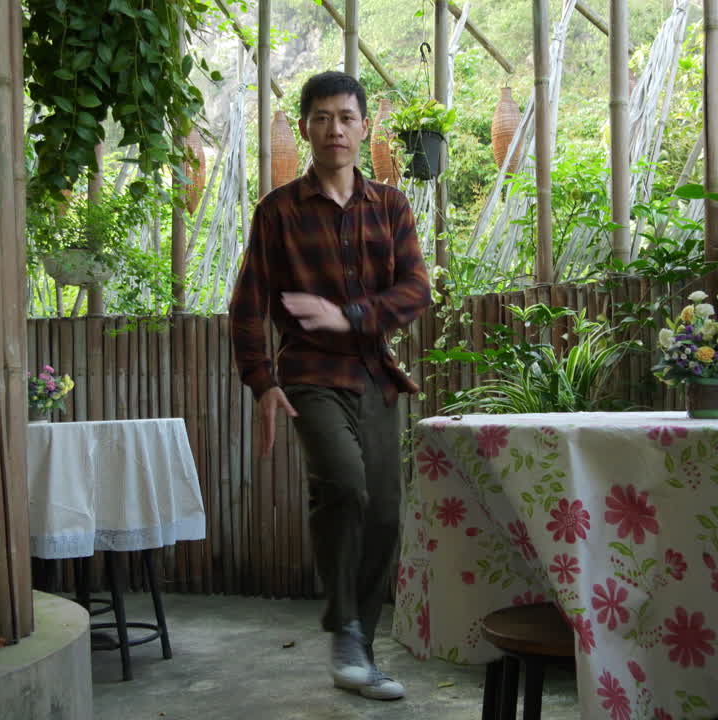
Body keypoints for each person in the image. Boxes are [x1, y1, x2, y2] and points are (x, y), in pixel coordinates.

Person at [228, 71, 431, 701]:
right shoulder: (279, 212)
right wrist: (263, 384)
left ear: (364, 127)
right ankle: (344, 627)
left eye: (346, 116)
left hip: (374, 374)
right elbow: (247, 306)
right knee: (342, 484)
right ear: (307, 127)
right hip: (310, 375)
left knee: (386, 512)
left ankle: (360, 647)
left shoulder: (391, 206)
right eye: (321, 117)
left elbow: (417, 288)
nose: (334, 128)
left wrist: (352, 315)